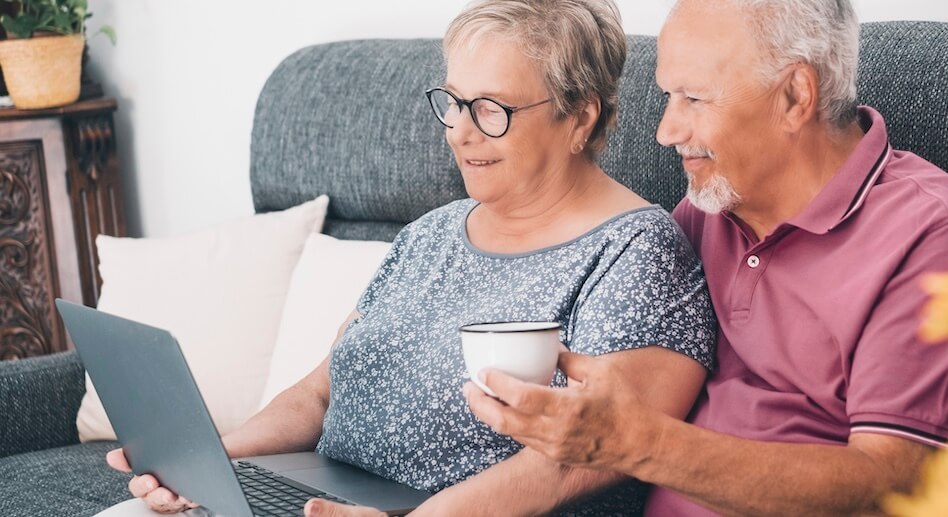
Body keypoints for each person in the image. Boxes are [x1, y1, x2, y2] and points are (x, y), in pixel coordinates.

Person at [104, 1, 716, 516]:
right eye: (453, 102)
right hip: (318, 496)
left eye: (491, 110)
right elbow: (322, 392)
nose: (459, 132)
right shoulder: (430, 235)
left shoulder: (638, 251)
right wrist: (211, 461)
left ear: (578, 116)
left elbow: (584, 460)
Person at [463, 0, 948, 515]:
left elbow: (890, 485)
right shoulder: (709, 204)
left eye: (694, 99)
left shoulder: (934, 237)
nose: (666, 132)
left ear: (796, 96)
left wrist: (637, 443)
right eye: (666, 97)